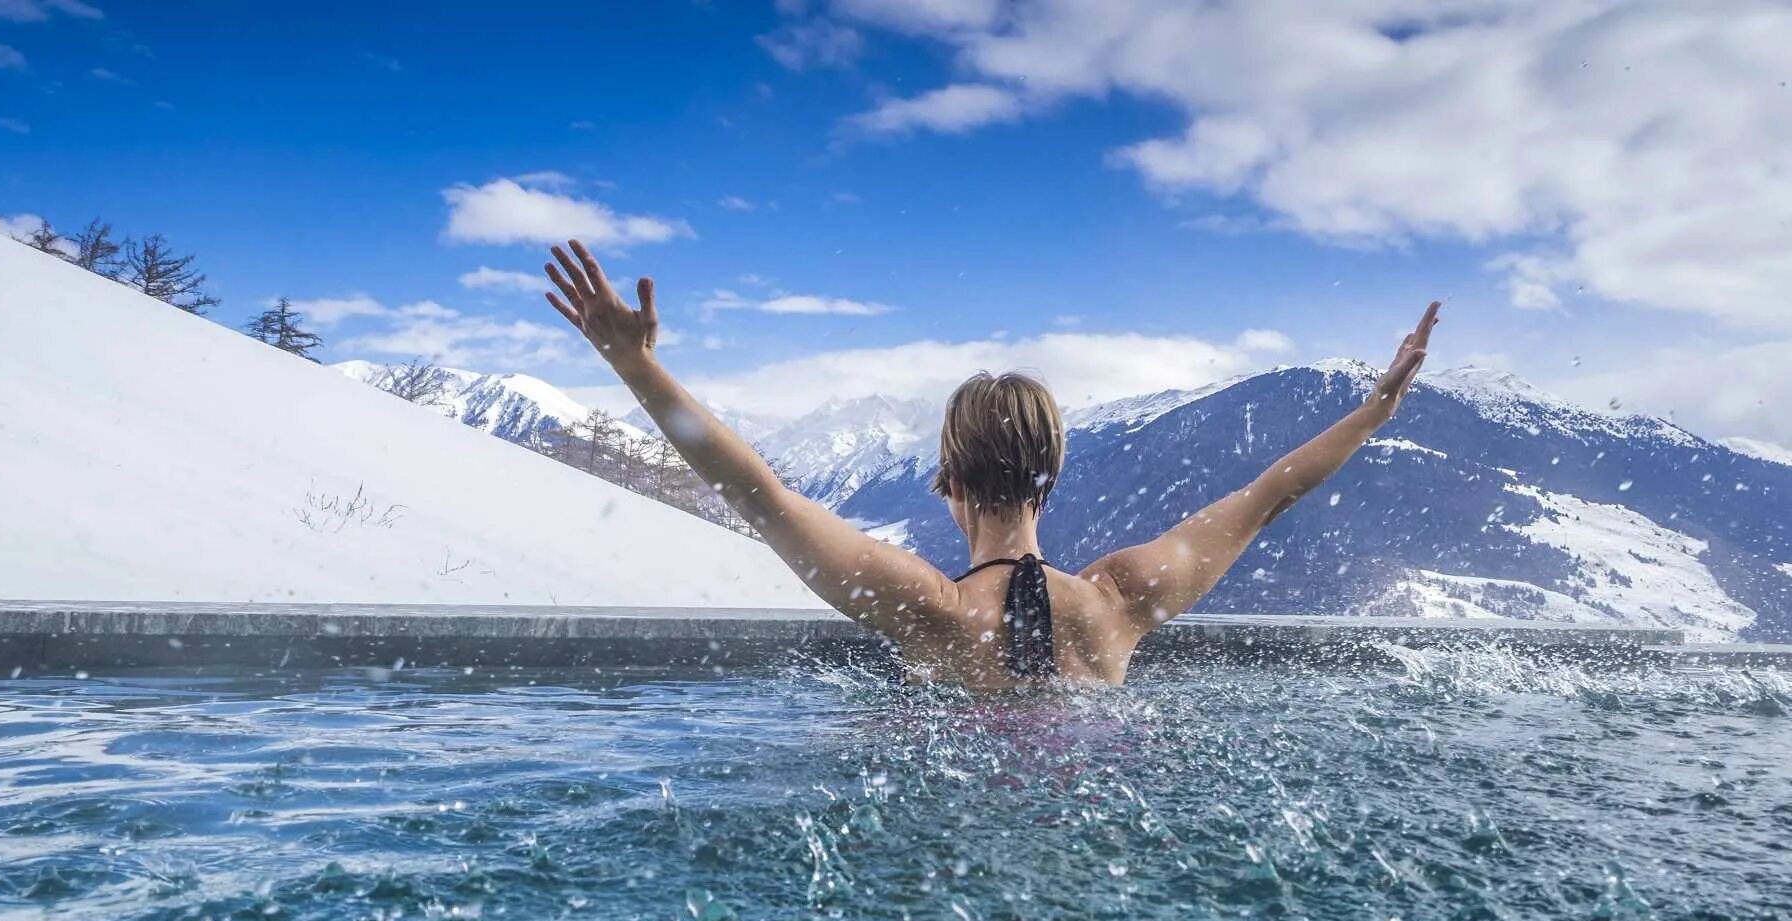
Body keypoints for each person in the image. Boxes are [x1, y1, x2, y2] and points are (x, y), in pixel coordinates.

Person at [545, 240, 1438, 688]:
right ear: (1051, 475)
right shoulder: (1121, 599)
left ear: (950, 484)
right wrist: (1380, 404)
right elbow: (1267, 494)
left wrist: (635, 363)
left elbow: (759, 492)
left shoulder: (922, 607)